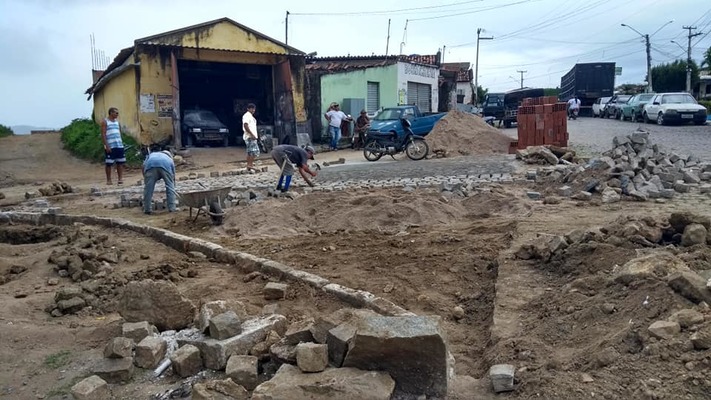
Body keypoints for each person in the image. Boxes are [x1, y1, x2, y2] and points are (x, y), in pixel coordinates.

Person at [142, 150, 177, 215]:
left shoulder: (151, 155)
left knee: (148, 189)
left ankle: (147, 209)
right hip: (165, 166)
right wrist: (173, 184)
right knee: (170, 187)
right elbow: (173, 174)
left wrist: (145, 178)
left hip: (150, 166)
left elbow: (143, 166)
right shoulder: (169, 159)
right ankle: (172, 208)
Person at [101, 107, 125, 185]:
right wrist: (106, 145)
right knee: (109, 163)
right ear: (111, 113)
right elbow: (103, 134)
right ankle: (109, 180)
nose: (117, 114)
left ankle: (120, 179)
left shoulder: (117, 122)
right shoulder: (105, 122)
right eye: (116, 113)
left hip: (119, 145)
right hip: (110, 145)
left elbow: (119, 133)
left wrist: (121, 143)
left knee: (120, 162)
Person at [242, 103, 259, 171]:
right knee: (254, 151)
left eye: (254, 109)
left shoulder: (251, 116)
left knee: (250, 152)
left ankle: (249, 165)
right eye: (251, 108)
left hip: (251, 136)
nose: (253, 110)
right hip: (250, 137)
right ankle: (250, 165)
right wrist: (251, 135)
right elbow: (245, 125)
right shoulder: (247, 116)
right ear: (248, 109)